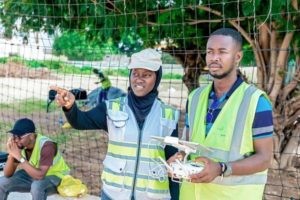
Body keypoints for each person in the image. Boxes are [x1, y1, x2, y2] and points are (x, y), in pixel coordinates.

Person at [51, 48, 180, 200]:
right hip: (114, 195)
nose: (139, 79)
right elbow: (80, 121)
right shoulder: (111, 108)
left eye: (147, 75)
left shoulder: (169, 115)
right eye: (135, 73)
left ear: (156, 78)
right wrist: (70, 107)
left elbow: (173, 162)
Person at [175, 28, 273, 200]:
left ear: (238, 57)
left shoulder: (256, 102)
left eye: (222, 52)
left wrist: (222, 168)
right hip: (191, 195)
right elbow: (189, 145)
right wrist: (179, 158)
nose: (214, 57)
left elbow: (264, 158)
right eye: (210, 52)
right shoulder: (195, 97)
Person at [0, 118, 70, 200]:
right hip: (35, 175)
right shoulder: (20, 145)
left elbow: (40, 176)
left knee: (37, 186)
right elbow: (7, 174)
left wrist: (20, 157)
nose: (16, 140)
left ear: (32, 136)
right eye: (14, 136)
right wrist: (12, 155)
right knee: (2, 182)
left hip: (57, 178)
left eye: (20, 137)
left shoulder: (47, 146)